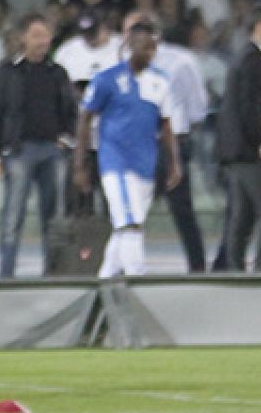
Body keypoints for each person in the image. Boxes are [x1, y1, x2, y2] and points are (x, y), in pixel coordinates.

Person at [73, 18, 182, 278]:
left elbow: (166, 125)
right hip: (116, 163)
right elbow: (85, 119)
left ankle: (105, 280)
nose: (150, 52)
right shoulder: (107, 79)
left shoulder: (161, 81)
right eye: (145, 46)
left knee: (126, 226)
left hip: (145, 164)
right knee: (130, 224)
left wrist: (174, 163)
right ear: (130, 44)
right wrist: (80, 164)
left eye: (153, 47)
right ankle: (137, 278)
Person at [0, 15, 76, 278]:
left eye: (45, 35)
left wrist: (66, 138)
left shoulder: (58, 73)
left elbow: (70, 110)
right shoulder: (7, 72)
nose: (42, 41)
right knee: (13, 215)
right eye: (36, 35)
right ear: (23, 38)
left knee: (53, 217)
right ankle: (6, 274)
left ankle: (53, 272)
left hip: (52, 151)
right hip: (19, 151)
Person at [216, 4, 261, 271]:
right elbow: (249, 107)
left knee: (243, 217)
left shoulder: (249, 57)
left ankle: (234, 271)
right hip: (247, 150)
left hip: (240, 148)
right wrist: (259, 141)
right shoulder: (251, 60)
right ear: (260, 27)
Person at [140, 18, 210, 273]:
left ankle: (197, 267)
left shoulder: (181, 61)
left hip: (171, 144)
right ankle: (124, 265)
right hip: (138, 143)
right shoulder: (123, 62)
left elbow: (197, 106)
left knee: (181, 210)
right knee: (132, 211)